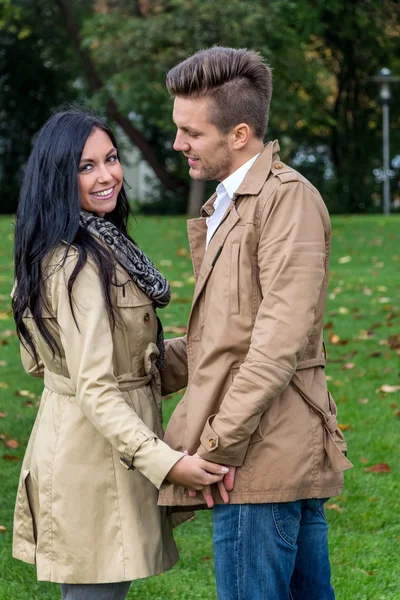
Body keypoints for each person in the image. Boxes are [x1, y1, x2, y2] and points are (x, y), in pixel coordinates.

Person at [158, 47, 353, 600]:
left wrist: (218, 446)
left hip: (257, 460)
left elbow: (278, 343)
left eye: (190, 132)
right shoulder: (233, 201)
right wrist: (137, 363)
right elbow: (225, 335)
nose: (178, 145)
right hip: (265, 449)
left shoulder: (286, 202)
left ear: (239, 133)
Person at [11, 107, 229, 600]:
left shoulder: (97, 243)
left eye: (110, 158)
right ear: (57, 177)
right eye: (85, 166)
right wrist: (167, 463)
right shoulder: (76, 264)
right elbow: (94, 386)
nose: (107, 175)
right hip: (92, 462)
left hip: (103, 448)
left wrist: (217, 348)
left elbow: (129, 362)